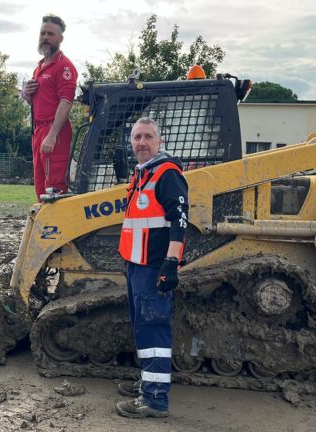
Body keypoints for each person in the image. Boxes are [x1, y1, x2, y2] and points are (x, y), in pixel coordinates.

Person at [115, 117, 188, 418]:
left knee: (153, 329)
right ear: (131, 142)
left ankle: (155, 400)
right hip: (136, 266)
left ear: (159, 141)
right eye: (137, 137)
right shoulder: (143, 173)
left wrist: (170, 264)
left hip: (153, 267)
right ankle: (148, 381)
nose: (142, 142)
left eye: (148, 137)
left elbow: (179, 222)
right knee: (141, 327)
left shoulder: (167, 174)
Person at [20, 14, 78, 200]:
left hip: (54, 132)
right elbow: (38, 101)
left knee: (54, 186)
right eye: (43, 33)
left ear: (60, 39)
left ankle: (59, 228)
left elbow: (66, 102)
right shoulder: (39, 67)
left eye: (50, 34)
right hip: (38, 131)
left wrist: (52, 135)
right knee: (40, 184)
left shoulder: (64, 66)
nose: (45, 37)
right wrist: (27, 95)